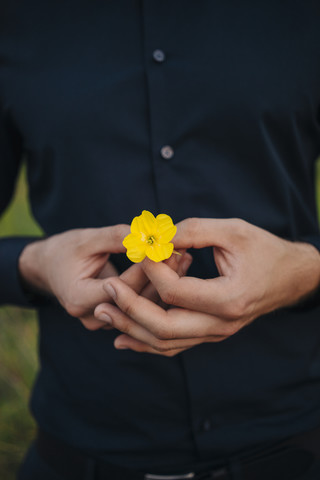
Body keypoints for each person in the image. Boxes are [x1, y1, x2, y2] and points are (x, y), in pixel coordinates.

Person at [1, 1, 320, 479]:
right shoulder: (16, 18)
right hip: (76, 453)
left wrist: (303, 271)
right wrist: (33, 263)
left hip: (295, 446)